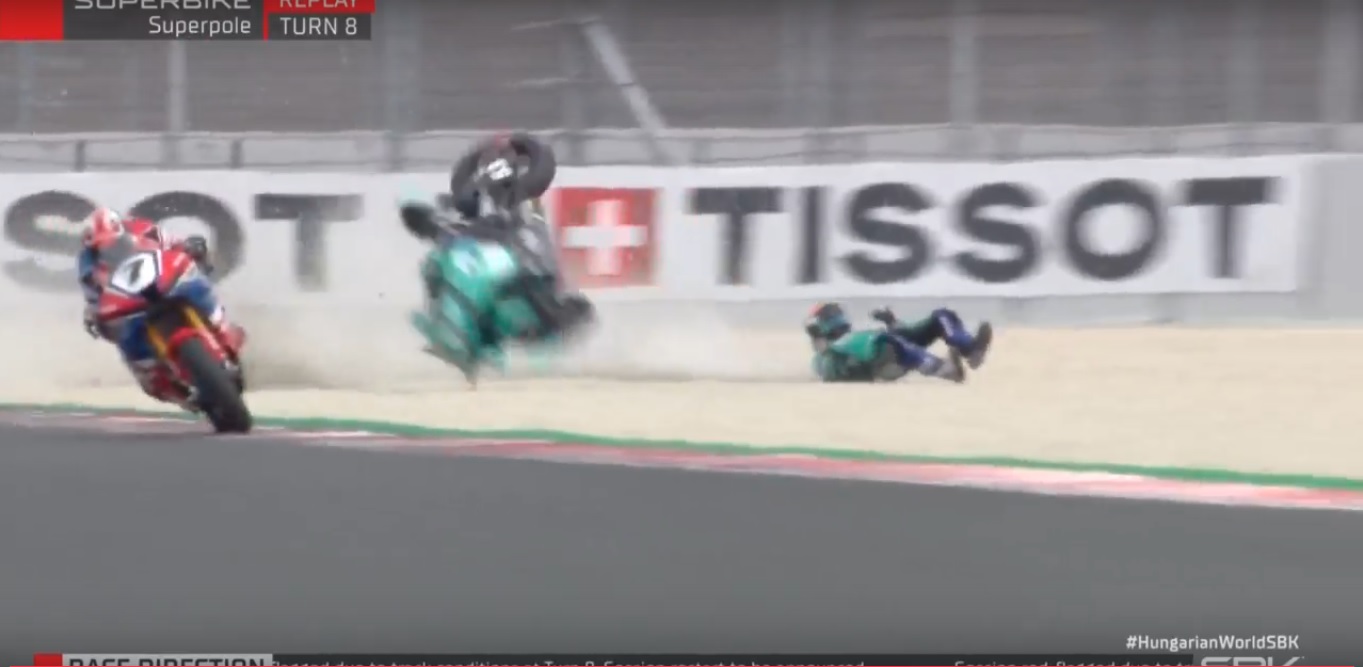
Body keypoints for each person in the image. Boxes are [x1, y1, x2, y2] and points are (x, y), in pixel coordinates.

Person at [78, 207, 244, 410]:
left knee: (198, 284)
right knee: (135, 358)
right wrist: (93, 313)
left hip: (163, 279)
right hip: (131, 302)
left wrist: (190, 247)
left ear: (119, 229)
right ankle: (176, 392)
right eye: (99, 247)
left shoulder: (142, 228)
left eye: (111, 243)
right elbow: (93, 297)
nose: (106, 249)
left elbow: (173, 243)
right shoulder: (86, 263)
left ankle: (222, 329)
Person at [805, 302, 994, 383]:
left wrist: (892, 322)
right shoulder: (825, 355)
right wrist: (822, 344)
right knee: (892, 341)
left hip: (889, 346)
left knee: (941, 316)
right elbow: (827, 368)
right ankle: (944, 369)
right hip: (881, 361)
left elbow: (901, 332)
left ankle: (971, 349)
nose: (836, 316)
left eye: (835, 312)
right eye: (829, 314)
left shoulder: (857, 334)